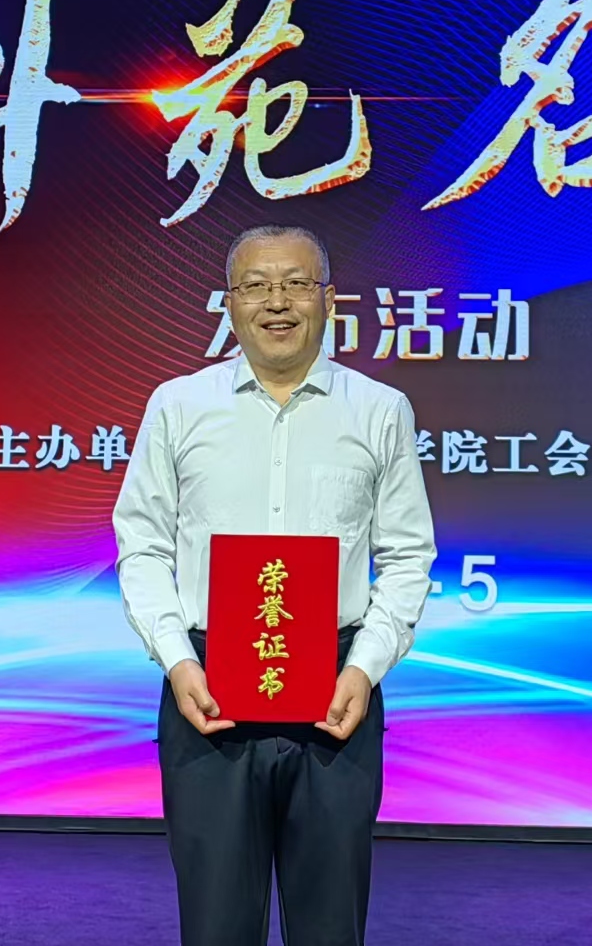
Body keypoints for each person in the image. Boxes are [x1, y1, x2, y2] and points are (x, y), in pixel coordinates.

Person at [112, 223, 437, 946]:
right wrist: (177, 660)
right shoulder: (178, 405)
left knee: (330, 924)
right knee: (217, 924)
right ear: (229, 303)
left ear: (329, 299)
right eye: (256, 285)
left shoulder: (379, 409)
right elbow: (141, 546)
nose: (277, 301)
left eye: (296, 283)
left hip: (336, 691)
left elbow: (408, 556)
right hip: (207, 689)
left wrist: (364, 668)